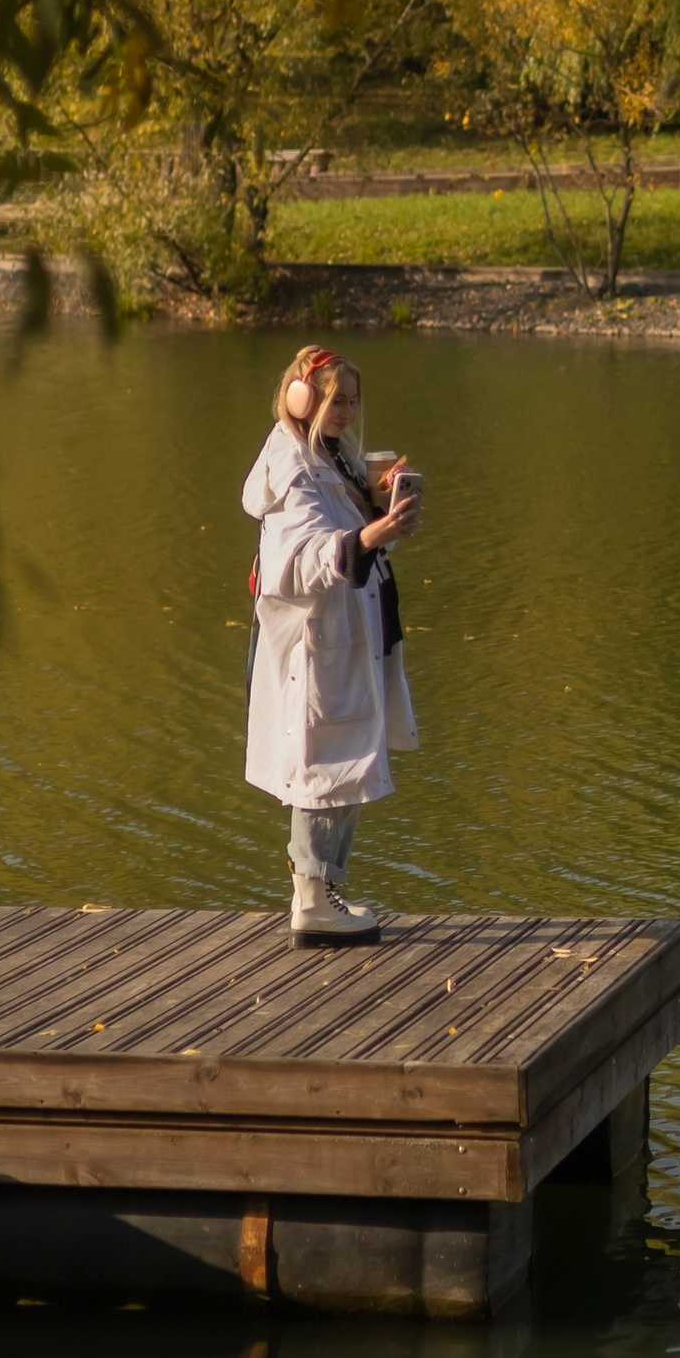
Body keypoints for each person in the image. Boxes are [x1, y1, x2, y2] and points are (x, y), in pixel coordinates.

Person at [242, 343, 422, 943]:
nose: (344, 411)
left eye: (351, 401)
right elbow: (302, 559)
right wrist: (376, 531)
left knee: (345, 758)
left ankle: (320, 892)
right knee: (322, 763)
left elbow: (345, 534)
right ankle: (313, 901)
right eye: (332, 399)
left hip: (346, 630)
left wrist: (376, 504)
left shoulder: (329, 454)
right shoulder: (293, 468)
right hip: (318, 640)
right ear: (302, 396)